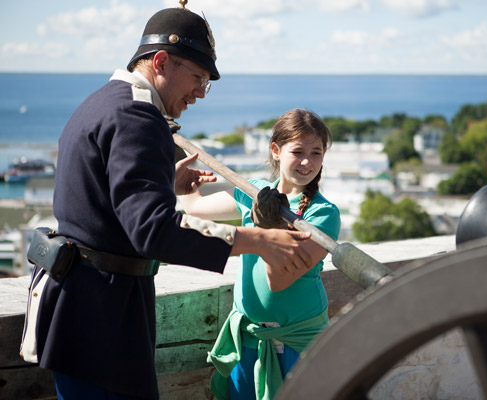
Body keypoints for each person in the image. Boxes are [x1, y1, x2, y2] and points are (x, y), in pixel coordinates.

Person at [19, 5, 314, 400]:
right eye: (196, 76)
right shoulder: (139, 119)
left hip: (78, 307)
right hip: (101, 320)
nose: (199, 92)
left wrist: (164, 185)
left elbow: (97, 199)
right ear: (160, 61)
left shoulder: (103, 102)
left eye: (206, 82)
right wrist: (257, 241)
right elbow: (152, 231)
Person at [177, 108, 341, 399]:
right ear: (276, 151)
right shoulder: (252, 192)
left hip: (298, 345)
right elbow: (195, 207)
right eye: (298, 151)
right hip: (249, 340)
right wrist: (182, 186)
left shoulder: (322, 215)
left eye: (316, 153)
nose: (307, 161)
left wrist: (268, 229)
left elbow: (279, 281)